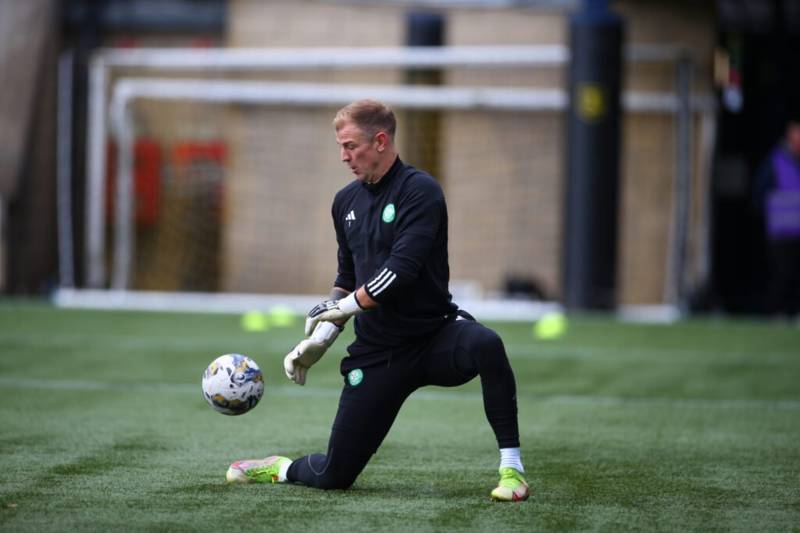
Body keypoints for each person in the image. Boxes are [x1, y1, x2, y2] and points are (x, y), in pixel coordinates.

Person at [226, 99, 529, 502]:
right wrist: (321, 337)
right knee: (335, 475)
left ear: (381, 141)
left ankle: (513, 471)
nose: (343, 156)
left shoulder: (420, 191)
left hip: (433, 335)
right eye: (341, 146)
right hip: (378, 352)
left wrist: (341, 308)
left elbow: (400, 271)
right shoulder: (344, 203)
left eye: (351, 146)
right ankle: (279, 467)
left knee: (486, 344)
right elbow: (347, 278)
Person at [753, 115, 800, 318]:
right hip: (780, 230)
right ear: (790, 133)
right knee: (782, 274)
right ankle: (775, 313)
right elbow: (760, 193)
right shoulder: (775, 161)